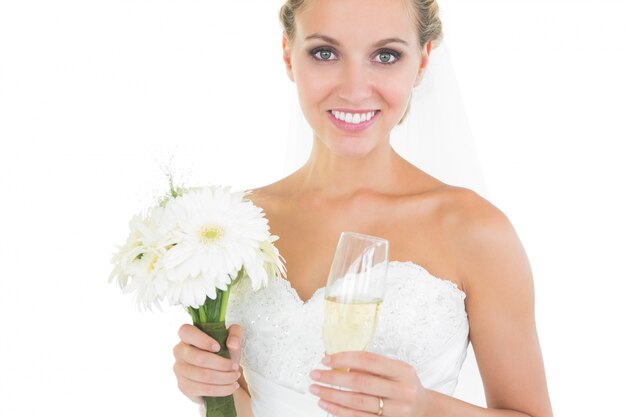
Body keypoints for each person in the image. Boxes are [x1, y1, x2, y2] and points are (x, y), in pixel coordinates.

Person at [172, 0, 553, 416]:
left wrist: (426, 408)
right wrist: (214, 388)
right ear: (288, 54)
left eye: (385, 56)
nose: (355, 89)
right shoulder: (237, 226)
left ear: (422, 62)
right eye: (325, 53)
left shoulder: (474, 230)